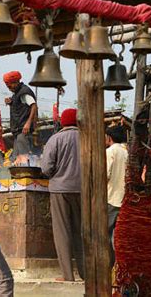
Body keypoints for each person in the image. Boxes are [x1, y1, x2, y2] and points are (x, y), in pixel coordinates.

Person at [40, 108, 84, 281]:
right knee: (81, 232)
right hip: (82, 190)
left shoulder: (55, 139)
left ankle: (67, 275)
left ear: (62, 122)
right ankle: (85, 273)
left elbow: (46, 168)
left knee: (62, 232)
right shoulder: (87, 138)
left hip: (59, 190)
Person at [105, 125, 128, 266]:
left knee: (105, 235)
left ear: (109, 137)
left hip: (111, 198)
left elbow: (105, 174)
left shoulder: (110, 152)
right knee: (120, 236)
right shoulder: (127, 152)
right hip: (124, 199)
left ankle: (109, 264)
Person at [3, 71, 38, 161]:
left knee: (23, 156)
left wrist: (28, 123)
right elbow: (21, 107)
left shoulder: (24, 92)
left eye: (10, 86)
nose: (9, 89)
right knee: (15, 157)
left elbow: (33, 105)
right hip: (18, 131)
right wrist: (11, 102)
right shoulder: (17, 93)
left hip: (23, 129)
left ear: (15, 82)